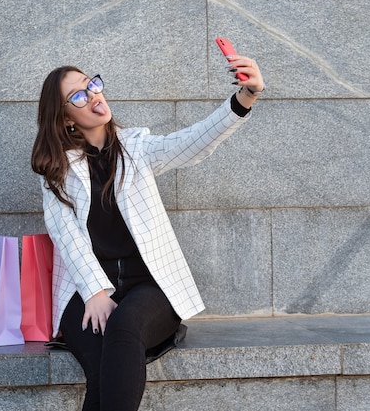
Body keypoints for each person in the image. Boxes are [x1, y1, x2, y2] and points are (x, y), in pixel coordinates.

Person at [31, 55, 264, 411]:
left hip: (150, 287)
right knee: (99, 367)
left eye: (92, 85)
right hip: (87, 290)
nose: (94, 96)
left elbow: (192, 142)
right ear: (65, 119)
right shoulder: (58, 169)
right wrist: (95, 292)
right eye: (78, 96)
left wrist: (244, 97)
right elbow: (66, 235)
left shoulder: (137, 147)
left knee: (123, 329)